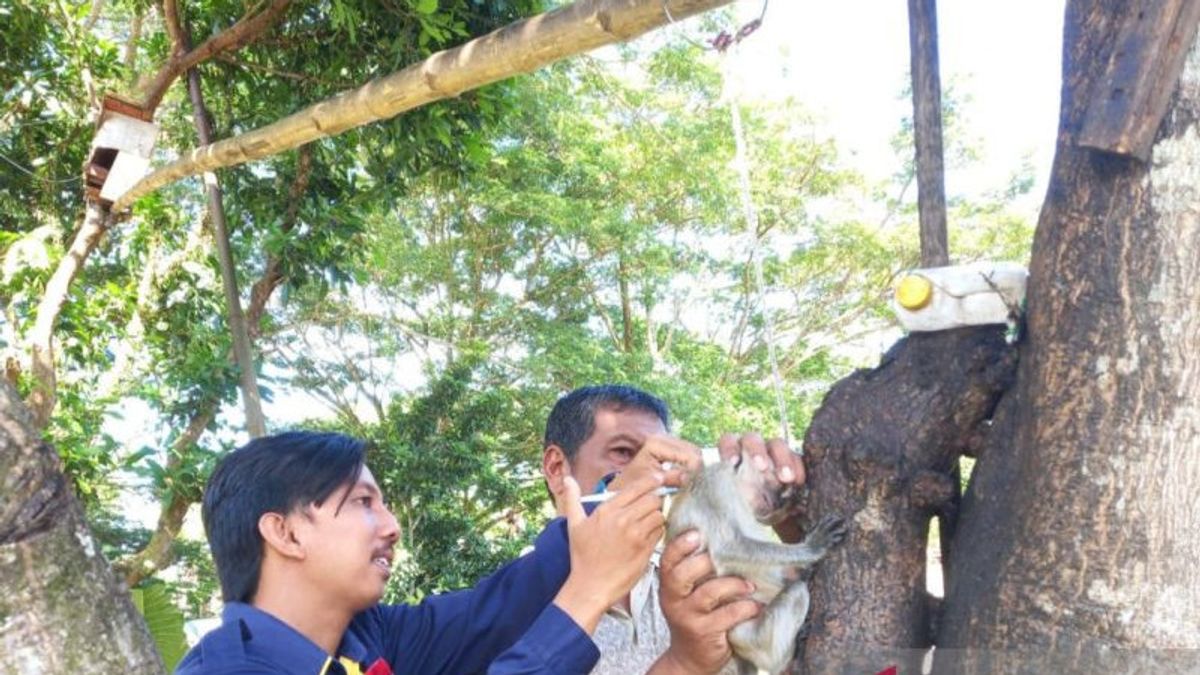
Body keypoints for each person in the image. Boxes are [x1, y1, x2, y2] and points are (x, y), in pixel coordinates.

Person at [175, 430, 683, 674]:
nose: (392, 527)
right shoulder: (227, 673)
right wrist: (588, 593)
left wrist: (623, 495)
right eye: (362, 503)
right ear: (285, 534)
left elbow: (500, 608)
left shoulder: (364, 639)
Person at [540, 385, 807, 675]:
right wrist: (684, 663)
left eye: (662, 459)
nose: (655, 474)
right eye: (624, 452)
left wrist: (795, 524)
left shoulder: (688, 578)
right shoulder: (510, 609)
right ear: (556, 468)